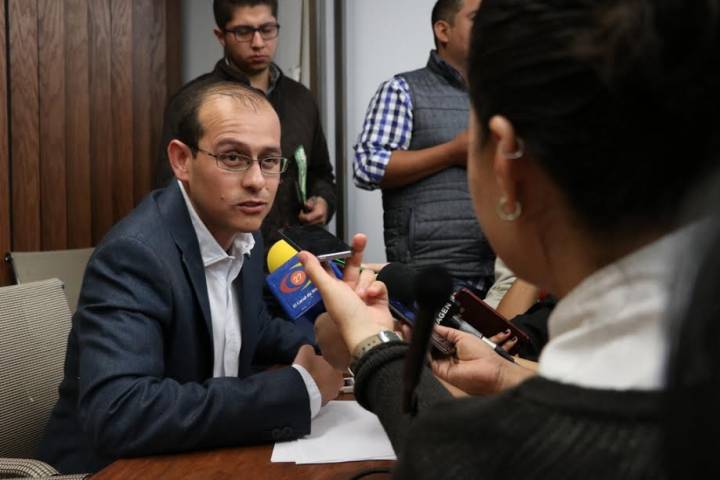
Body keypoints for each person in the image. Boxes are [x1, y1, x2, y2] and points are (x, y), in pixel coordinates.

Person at [301, 0, 720, 477]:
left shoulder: (505, 452)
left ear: (507, 162)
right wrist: (505, 373)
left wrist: (373, 346)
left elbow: (457, 456)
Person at [38, 81, 342, 474]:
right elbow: (121, 412)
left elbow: (251, 326)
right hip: (110, 470)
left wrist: (332, 336)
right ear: (181, 160)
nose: (257, 181)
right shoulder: (135, 255)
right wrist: (299, 391)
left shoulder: (243, 236)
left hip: (197, 457)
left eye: (269, 161)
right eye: (233, 158)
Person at [156, 0, 337, 250]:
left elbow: (321, 172)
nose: (258, 42)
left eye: (267, 29)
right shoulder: (193, 101)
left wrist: (324, 201)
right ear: (221, 36)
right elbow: (171, 188)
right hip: (221, 251)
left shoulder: (300, 99)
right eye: (243, 32)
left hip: (291, 253)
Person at [353, 0, 496, 294]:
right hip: (431, 274)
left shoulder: (498, 95)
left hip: (501, 270)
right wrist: (451, 152)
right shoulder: (402, 89)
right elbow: (367, 167)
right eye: (477, 18)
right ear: (443, 31)